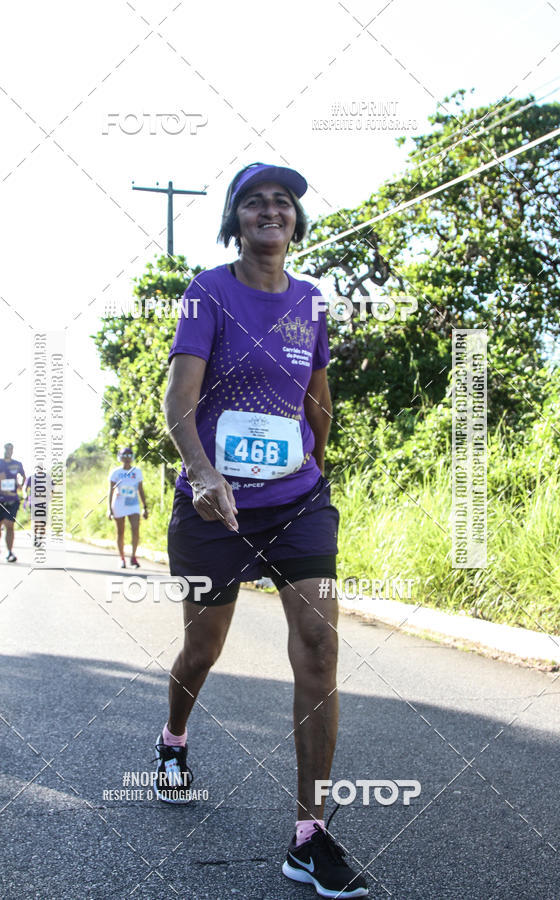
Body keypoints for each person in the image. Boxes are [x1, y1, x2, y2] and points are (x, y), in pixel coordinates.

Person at [158, 163, 368, 898]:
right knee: (201, 648)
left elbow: (318, 401)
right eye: (255, 202)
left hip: (298, 502)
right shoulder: (206, 293)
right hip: (216, 503)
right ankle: (173, 739)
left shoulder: (311, 304)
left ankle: (310, 836)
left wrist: (315, 457)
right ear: (235, 218)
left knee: (318, 645)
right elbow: (179, 400)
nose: (271, 211)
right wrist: (204, 471)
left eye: (283, 203)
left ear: (295, 222)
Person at [108, 447, 148, 568]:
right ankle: (122, 558)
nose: (126, 458)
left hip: (133, 504)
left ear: (132, 457)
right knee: (120, 532)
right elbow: (110, 491)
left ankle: (133, 558)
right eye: (124, 455)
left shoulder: (137, 472)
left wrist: (145, 507)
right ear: (120, 457)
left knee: (135, 530)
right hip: (119, 504)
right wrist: (109, 509)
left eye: (129, 455)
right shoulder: (115, 473)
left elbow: (140, 490)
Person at [0, 443, 25, 562]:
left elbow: (24, 476)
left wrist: (20, 485)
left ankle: (10, 552)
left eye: (11, 449)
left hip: (12, 499)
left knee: (9, 525)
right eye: (7, 449)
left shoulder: (17, 464)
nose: (9, 451)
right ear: (3, 450)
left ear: (13, 451)